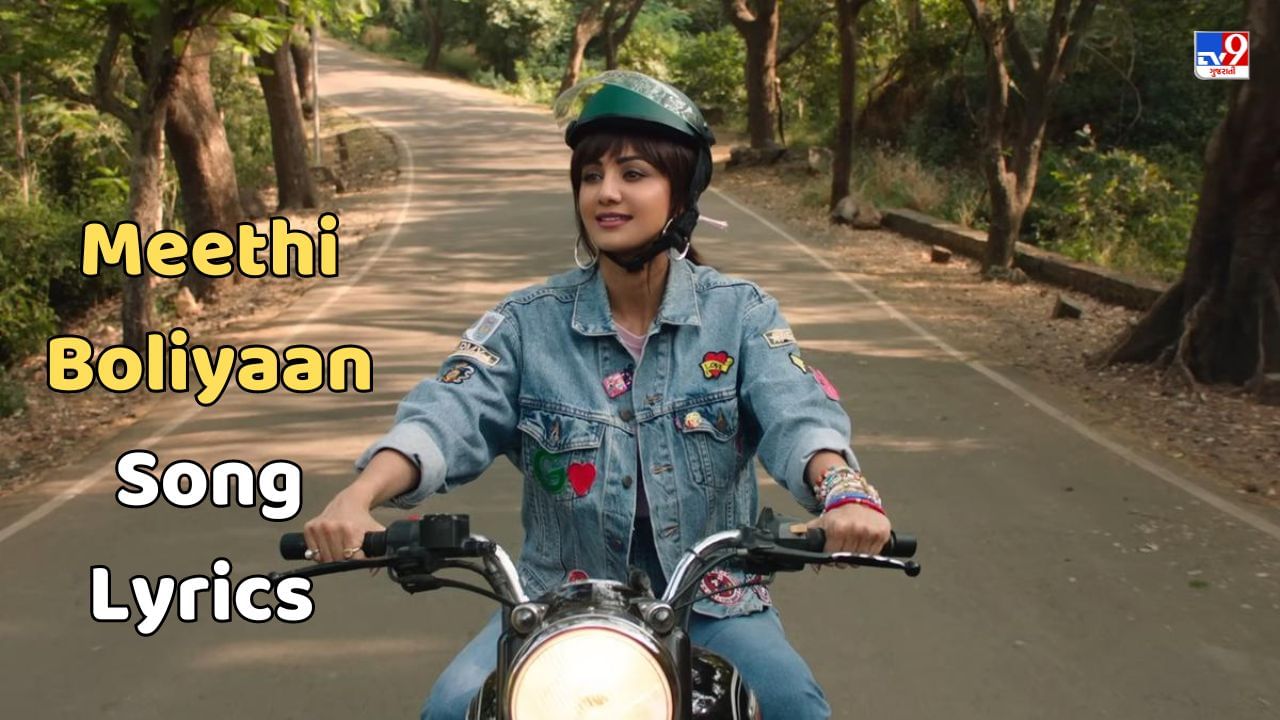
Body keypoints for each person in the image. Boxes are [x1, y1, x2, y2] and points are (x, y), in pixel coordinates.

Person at [304, 70, 891, 720]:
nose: (606, 192)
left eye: (633, 173)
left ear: (681, 193)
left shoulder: (740, 315)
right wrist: (358, 497)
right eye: (591, 176)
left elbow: (798, 414)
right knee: (450, 709)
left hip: (715, 604)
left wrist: (844, 493)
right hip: (557, 606)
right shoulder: (527, 324)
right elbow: (446, 415)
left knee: (794, 706)